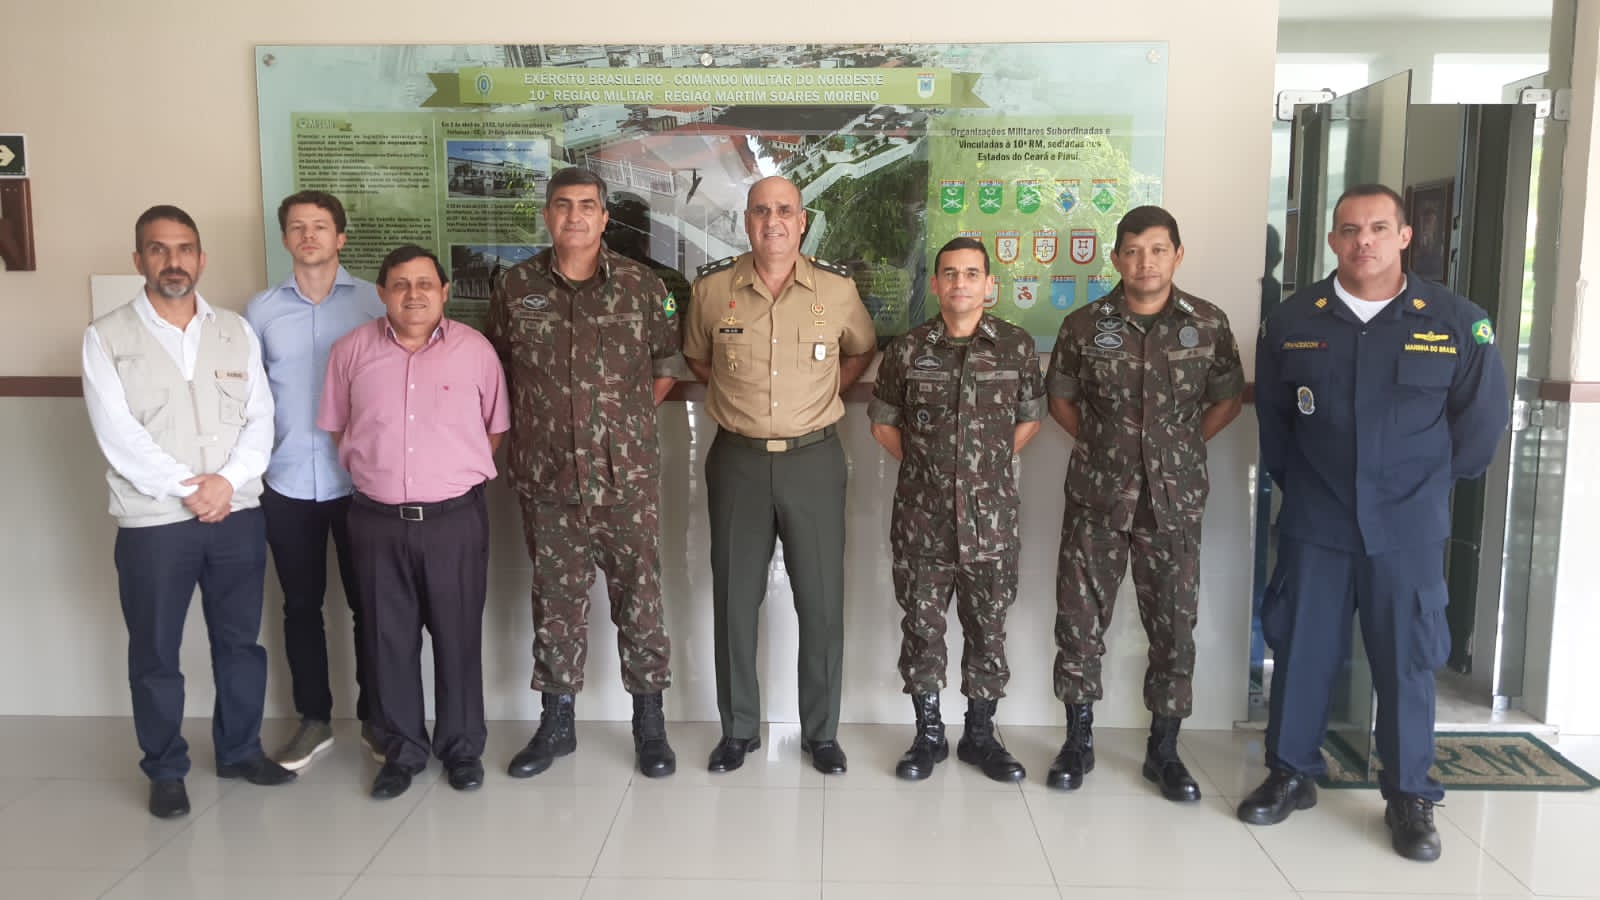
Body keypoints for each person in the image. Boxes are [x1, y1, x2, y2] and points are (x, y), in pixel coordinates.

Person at [1243, 184, 1509, 862]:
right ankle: (1290, 772)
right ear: (1333, 239)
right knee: (1301, 648)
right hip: (1318, 518)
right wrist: (1304, 487)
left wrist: (1427, 488)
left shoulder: (1457, 321)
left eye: (1379, 228)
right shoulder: (1292, 320)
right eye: (1350, 229)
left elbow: (1480, 424)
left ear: (1403, 236)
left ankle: (1410, 794)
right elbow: (1275, 421)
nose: (1364, 240)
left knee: (1408, 660)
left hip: (1407, 526)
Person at [82, 205, 296, 819]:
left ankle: (239, 751)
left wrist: (226, 483)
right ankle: (165, 769)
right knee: (155, 651)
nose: (172, 261)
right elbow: (117, 433)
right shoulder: (106, 336)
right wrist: (188, 488)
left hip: (236, 513)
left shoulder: (235, 330)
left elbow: (261, 418)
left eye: (183, 249)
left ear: (201, 259)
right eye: (158, 249)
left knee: (240, 643)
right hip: (154, 522)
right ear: (139, 260)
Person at [487, 168, 683, 779]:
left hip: (625, 480)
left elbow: (666, 366)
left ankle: (650, 724)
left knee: (640, 600)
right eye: (563, 205)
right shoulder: (514, 287)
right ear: (548, 215)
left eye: (587, 206)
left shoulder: (642, 286)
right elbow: (496, 372)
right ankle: (557, 724)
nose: (575, 216)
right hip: (546, 478)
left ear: (604, 217)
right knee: (555, 602)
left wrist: (619, 421)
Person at [1045, 205, 1244, 801]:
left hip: (1173, 503)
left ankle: (1165, 750)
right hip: (1097, 497)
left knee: (1174, 628)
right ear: (1116, 259)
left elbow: (1227, 399)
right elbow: (1061, 400)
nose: (1145, 262)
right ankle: (1077, 741)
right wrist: (1105, 448)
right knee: (1080, 623)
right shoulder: (1084, 326)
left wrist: (1177, 449)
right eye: (1132, 251)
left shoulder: (1207, 323)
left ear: (1177, 255)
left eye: (1157, 250)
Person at [683, 175, 876, 775]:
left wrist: (822, 396)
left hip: (813, 460)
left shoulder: (836, 291)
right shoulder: (712, 291)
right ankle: (738, 730)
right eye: (762, 211)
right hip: (737, 460)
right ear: (747, 221)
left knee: (820, 603)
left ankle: (821, 734)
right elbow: (697, 358)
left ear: (802, 220)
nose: (773, 221)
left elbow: (860, 349)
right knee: (735, 601)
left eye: (785, 211)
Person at [317, 244, 509, 799]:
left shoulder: (475, 351)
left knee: (457, 636)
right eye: (400, 284)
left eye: (425, 283)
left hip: (454, 520)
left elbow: (495, 428)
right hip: (375, 520)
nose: (413, 294)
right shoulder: (351, 351)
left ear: (444, 292)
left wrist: (447, 476)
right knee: (387, 639)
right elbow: (339, 427)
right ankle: (401, 751)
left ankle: (462, 749)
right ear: (381, 293)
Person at [867, 236, 1045, 783]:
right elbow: (883, 424)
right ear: (936, 283)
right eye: (949, 273)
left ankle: (980, 736)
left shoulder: (1015, 347)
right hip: (923, 520)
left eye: (971, 274)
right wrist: (931, 468)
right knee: (922, 629)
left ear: (989, 284)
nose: (960, 283)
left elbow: (1030, 418)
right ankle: (927, 736)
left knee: (988, 629)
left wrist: (981, 470)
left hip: (991, 521)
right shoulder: (907, 350)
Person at [245, 190, 384, 770]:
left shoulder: (374, 304)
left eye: (320, 226)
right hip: (286, 482)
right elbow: (248, 397)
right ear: (284, 239)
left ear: (340, 238)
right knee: (300, 608)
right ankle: (314, 720)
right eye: (298, 227)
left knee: (370, 606)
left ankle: (378, 718)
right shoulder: (260, 311)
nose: (309, 236)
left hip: (361, 484)